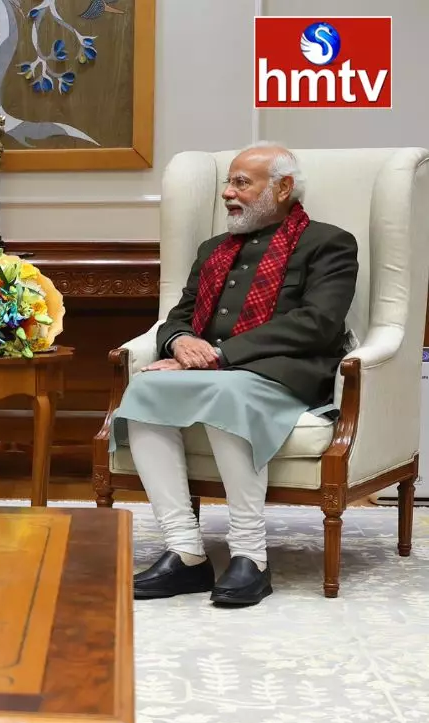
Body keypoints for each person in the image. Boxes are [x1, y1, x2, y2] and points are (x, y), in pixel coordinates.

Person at [111, 141, 358, 608]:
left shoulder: (329, 243)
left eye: (241, 183)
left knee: (227, 393)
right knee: (144, 389)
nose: (228, 193)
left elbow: (319, 323)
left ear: (283, 188)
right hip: (211, 372)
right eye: (228, 182)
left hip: (284, 375)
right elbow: (179, 316)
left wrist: (220, 356)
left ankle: (250, 557)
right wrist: (179, 342)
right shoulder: (213, 250)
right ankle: (185, 552)